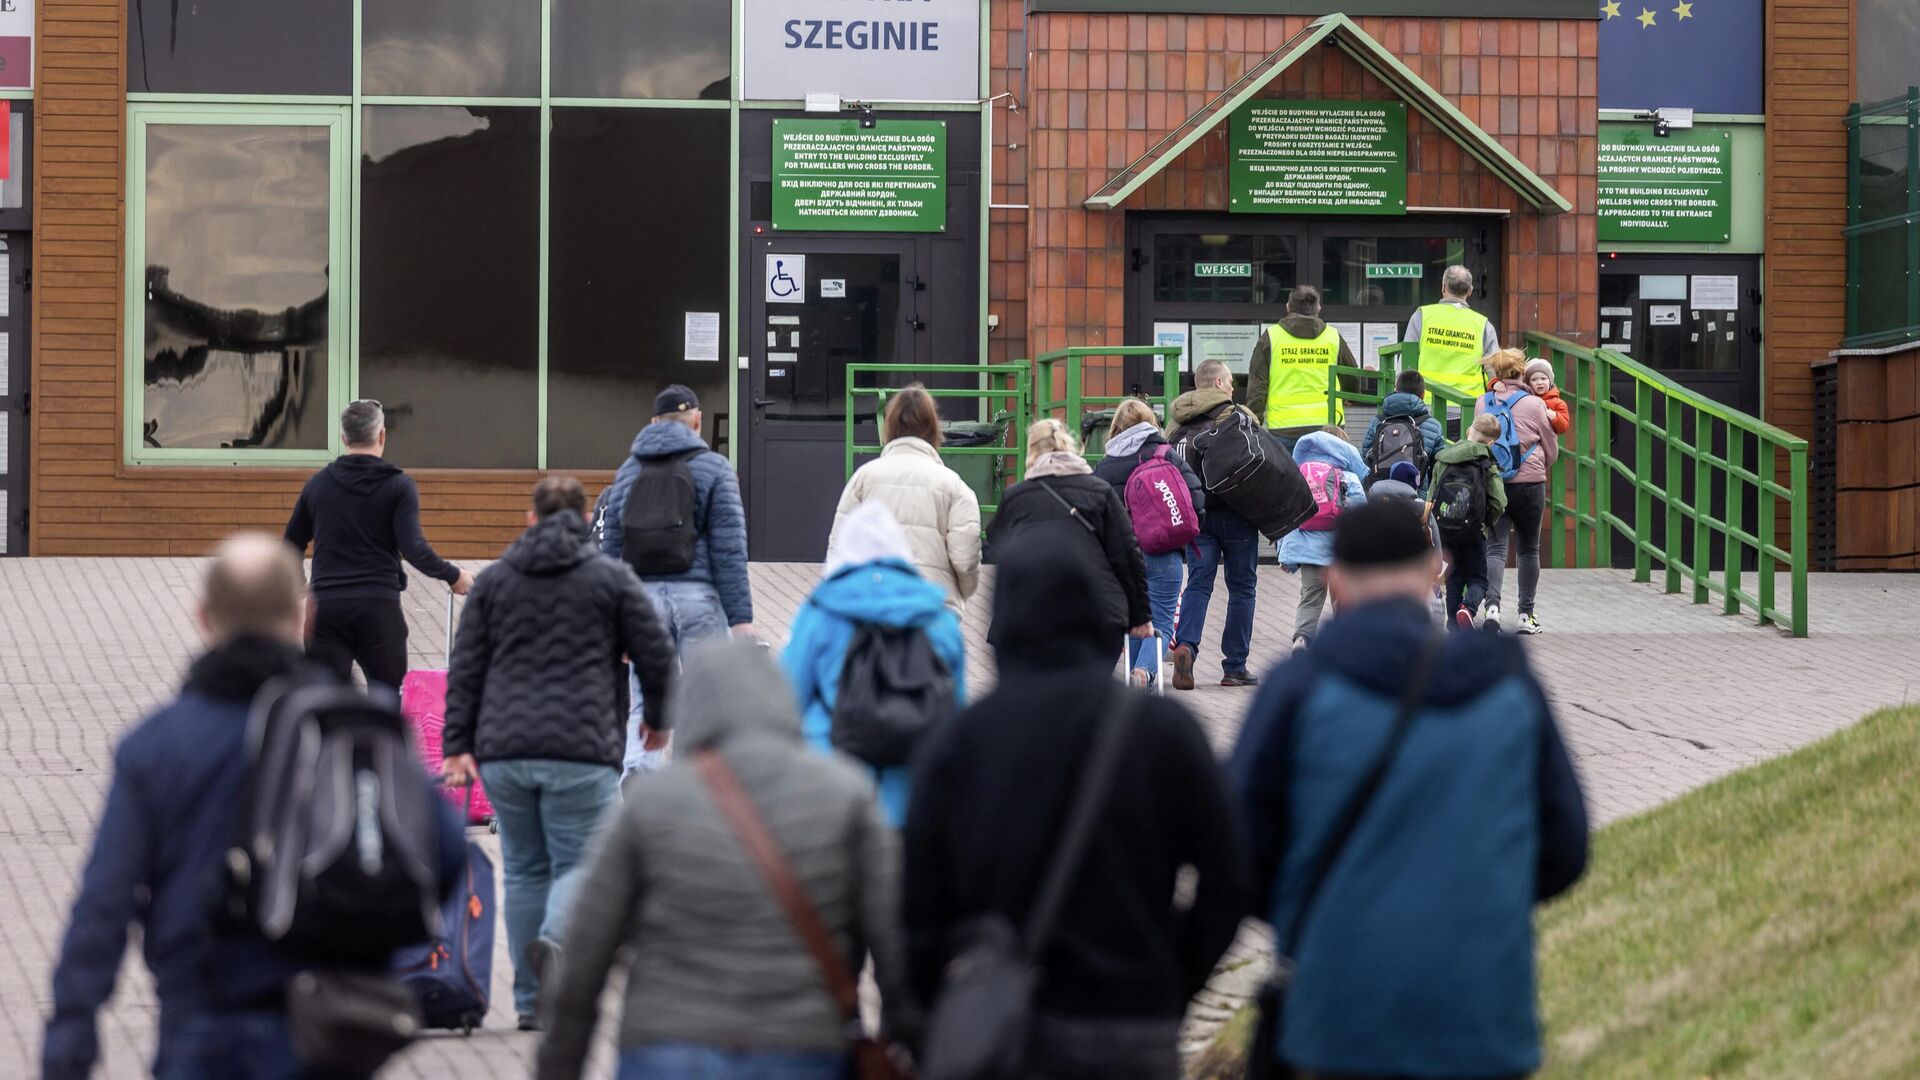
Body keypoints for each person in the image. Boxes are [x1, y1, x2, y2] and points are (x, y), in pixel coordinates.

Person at [44, 533, 465, 1080]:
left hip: (204, 1017)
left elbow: (104, 902)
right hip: (331, 1025)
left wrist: (70, 1041)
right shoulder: (358, 729)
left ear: (204, 619)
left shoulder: (157, 744)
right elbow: (448, 853)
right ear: (302, 616)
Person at [1228, 500, 1588, 1080]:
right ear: (1435, 571)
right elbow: (1566, 851)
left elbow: (1237, 853)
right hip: (1481, 1012)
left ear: (1338, 582)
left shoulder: (1297, 690)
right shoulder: (1507, 684)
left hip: (1338, 1013)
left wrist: (1312, 911)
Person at [904, 537, 1247, 1078]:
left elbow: (917, 904)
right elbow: (1229, 876)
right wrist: (1174, 978)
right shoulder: (1162, 732)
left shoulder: (961, 742)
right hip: (1130, 1023)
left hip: (1005, 1028)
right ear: (1094, 615)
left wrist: (932, 1011)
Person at [536, 640, 912, 1080]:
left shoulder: (651, 803)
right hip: (803, 1048)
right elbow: (896, 942)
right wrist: (911, 1039)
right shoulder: (846, 794)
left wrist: (559, 1065)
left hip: (668, 1049)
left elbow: (586, 952)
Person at [441, 476, 677, 1031]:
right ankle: (554, 938)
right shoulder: (612, 581)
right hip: (583, 750)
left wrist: (457, 746)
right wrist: (659, 722)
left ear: (530, 519)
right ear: (585, 518)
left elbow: (465, 668)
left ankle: (529, 1004)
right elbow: (657, 655)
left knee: (524, 870)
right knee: (585, 861)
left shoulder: (495, 582)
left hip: (505, 752)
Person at [600, 384, 756, 777]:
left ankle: (639, 768)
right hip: (700, 599)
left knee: (643, 695)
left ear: (653, 423)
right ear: (698, 422)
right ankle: (695, 784)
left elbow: (611, 550)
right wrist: (741, 619)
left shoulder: (628, 471)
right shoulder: (715, 468)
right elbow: (729, 548)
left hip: (642, 604)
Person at [783, 501, 966, 826]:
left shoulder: (822, 610)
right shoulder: (939, 618)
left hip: (832, 780)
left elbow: (788, 696)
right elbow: (957, 711)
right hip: (915, 784)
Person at [283, 399, 474, 692]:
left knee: (324, 701)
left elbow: (290, 544)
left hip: (326, 609)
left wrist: (300, 588)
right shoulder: (398, 486)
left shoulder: (318, 485)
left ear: (343, 438)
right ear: (382, 435)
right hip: (378, 608)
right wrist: (454, 575)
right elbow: (413, 548)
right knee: (386, 702)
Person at [989, 417, 1151, 660]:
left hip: (1033, 614)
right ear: (1069, 445)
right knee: (1092, 693)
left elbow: (996, 539)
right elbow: (1127, 553)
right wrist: (1140, 616)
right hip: (1099, 612)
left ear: (1032, 450)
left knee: (1039, 692)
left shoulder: (1016, 497)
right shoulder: (1100, 491)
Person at [830, 384, 982, 614]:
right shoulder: (954, 485)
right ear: (934, 427)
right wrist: (961, 591)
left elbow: (841, 545)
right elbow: (966, 557)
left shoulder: (864, 477)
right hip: (933, 609)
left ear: (889, 425)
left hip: (876, 607)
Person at [1166, 359, 1264, 690]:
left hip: (1198, 518)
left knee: (1198, 584)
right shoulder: (1238, 416)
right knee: (1242, 589)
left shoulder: (1176, 423)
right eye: (1230, 382)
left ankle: (1187, 647)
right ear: (1219, 384)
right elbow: (1261, 461)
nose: (1234, 389)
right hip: (1237, 516)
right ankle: (1234, 667)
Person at [1093, 398, 1205, 688]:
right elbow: (1195, 497)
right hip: (1164, 551)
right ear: (1150, 423)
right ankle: (1143, 672)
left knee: (1132, 619)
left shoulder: (1106, 464)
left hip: (1124, 556)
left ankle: (1136, 678)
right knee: (1163, 619)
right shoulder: (1165, 453)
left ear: (1116, 426)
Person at [1481, 349, 1561, 635]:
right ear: (1521, 372)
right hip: (1530, 484)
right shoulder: (1534, 404)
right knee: (1529, 549)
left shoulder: (1483, 402)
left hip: (1494, 482)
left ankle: (1492, 607)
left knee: (1496, 548)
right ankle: (1526, 615)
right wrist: (1537, 466)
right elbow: (1552, 449)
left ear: (1496, 373)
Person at [1280, 427, 1369, 650]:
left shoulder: (1299, 475)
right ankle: (1343, 643)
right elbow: (1361, 516)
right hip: (1339, 551)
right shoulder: (1347, 476)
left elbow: (1288, 518)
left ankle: (1301, 639)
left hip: (1309, 553)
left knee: (1310, 597)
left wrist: (1286, 556)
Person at [1246, 284, 1360, 453]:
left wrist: (1253, 421)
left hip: (1283, 428)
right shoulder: (1333, 337)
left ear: (1288, 307)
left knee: (1287, 479)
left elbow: (1257, 386)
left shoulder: (1271, 337)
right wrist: (1351, 396)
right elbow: (1351, 376)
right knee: (1326, 477)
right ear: (1318, 308)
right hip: (1327, 426)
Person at [1428, 414, 1508, 632]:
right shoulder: (1486, 463)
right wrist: (1485, 520)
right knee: (1479, 578)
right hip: (1473, 531)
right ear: (1491, 442)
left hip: (1445, 529)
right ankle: (1468, 608)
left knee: (1454, 577)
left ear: (1468, 430)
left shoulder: (1443, 459)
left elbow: (1431, 494)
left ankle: (1454, 624)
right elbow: (1500, 501)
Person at [1404, 266, 1501, 401]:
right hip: (1469, 405)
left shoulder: (1422, 315)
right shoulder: (1483, 324)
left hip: (1426, 403)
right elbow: (1493, 369)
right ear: (1470, 291)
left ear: (1443, 287)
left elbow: (1406, 360)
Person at [1360, 368, 1447, 485]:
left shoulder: (1377, 421)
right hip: (1416, 496)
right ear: (1423, 394)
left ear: (1396, 389)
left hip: (1379, 493)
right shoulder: (1433, 425)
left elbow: (1365, 460)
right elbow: (1439, 468)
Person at [1527, 357, 1573, 435]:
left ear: (1550, 381)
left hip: (1547, 443)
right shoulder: (1525, 398)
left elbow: (1564, 427)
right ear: (1528, 383)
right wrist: (1499, 383)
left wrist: (1556, 418)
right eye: (1534, 379)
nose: (1539, 382)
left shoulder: (1558, 403)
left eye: (1543, 378)